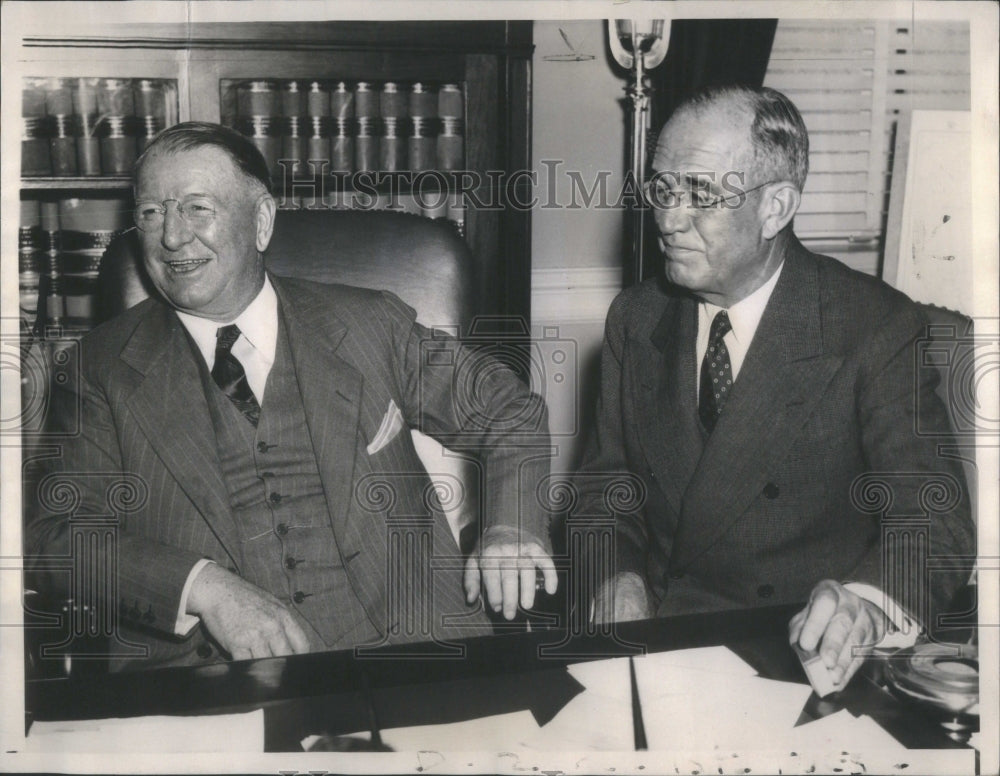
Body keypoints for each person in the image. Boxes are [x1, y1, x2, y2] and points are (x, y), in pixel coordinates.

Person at [26, 122, 556, 670]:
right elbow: (53, 537)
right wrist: (203, 587)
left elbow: (509, 411)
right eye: (151, 213)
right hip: (214, 681)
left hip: (418, 653)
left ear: (261, 221)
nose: (173, 237)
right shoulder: (99, 369)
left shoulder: (369, 323)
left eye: (197, 208)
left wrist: (511, 525)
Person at [580, 85, 974, 690]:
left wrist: (867, 606)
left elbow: (933, 523)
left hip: (803, 653)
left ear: (776, 207)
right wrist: (616, 576)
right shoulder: (635, 318)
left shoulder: (875, 327)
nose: (668, 218)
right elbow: (606, 487)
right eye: (662, 188)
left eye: (701, 194)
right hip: (660, 637)